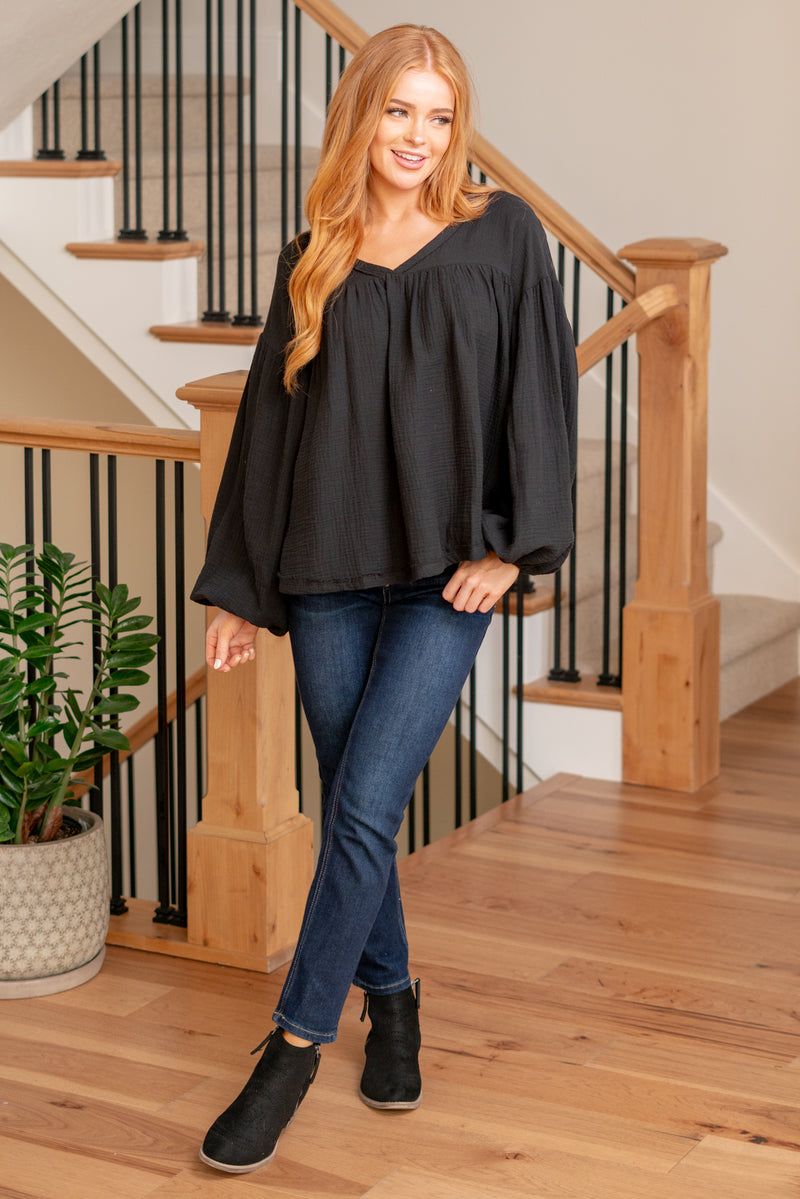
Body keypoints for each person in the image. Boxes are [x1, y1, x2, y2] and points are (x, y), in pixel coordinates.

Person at [191, 23, 577, 1175]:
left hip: (445, 577)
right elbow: (269, 433)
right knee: (354, 806)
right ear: (361, 115)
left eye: (439, 116)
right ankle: (394, 997)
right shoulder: (312, 253)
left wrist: (512, 547)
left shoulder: (502, 234)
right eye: (399, 111)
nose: (418, 137)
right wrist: (238, 589)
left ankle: (293, 1045)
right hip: (324, 570)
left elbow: (539, 393)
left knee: (361, 803)